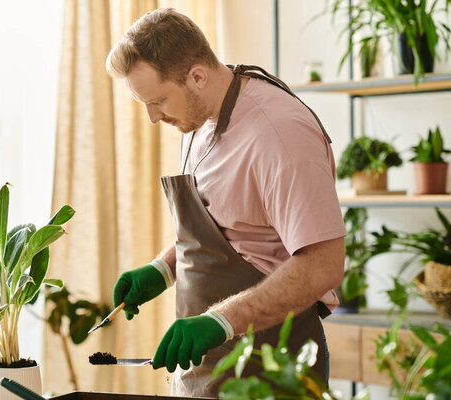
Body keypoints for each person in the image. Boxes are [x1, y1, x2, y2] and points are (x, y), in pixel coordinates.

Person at [106, 8, 346, 398]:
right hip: (209, 366)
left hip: (270, 365)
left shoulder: (279, 135)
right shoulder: (196, 117)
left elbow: (323, 265)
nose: (152, 117)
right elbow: (226, 225)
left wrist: (219, 320)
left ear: (197, 76)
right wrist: (162, 270)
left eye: (158, 101)